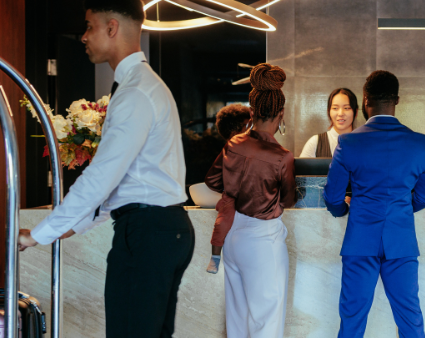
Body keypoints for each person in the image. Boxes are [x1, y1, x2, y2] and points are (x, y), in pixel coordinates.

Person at [17, 0, 194, 337]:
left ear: (112, 27)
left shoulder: (136, 93)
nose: (83, 37)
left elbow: (102, 176)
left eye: (89, 26)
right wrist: (76, 224)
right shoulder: (143, 86)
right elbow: (128, 184)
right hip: (162, 228)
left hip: (147, 233)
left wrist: (41, 234)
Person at [323, 70, 425, 338]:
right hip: (401, 242)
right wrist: (401, 208)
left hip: (360, 241)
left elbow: (332, 197)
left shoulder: (348, 142)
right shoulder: (420, 144)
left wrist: (345, 210)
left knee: (352, 321)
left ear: (365, 100)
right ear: (396, 100)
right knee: (410, 319)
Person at [204, 63, 297, 338]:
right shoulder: (283, 156)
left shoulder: (233, 144)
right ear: (281, 113)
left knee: (237, 320)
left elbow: (212, 181)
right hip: (262, 241)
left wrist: (235, 188)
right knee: (266, 323)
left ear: (252, 111)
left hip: (233, 238)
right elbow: (289, 200)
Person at [204, 103, 252, 274]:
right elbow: (211, 179)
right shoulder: (231, 148)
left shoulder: (247, 147)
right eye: (248, 126)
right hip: (233, 198)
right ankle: (215, 257)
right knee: (222, 222)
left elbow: (211, 179)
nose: (252, 129)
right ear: (235, 133)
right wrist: (228, 189)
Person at [299, 88, 359, 157]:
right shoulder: (315, 143)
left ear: (356, 112)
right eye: (335, 108)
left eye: (346, 108)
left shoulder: (363, 142)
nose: (340, 113)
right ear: (329, 111)